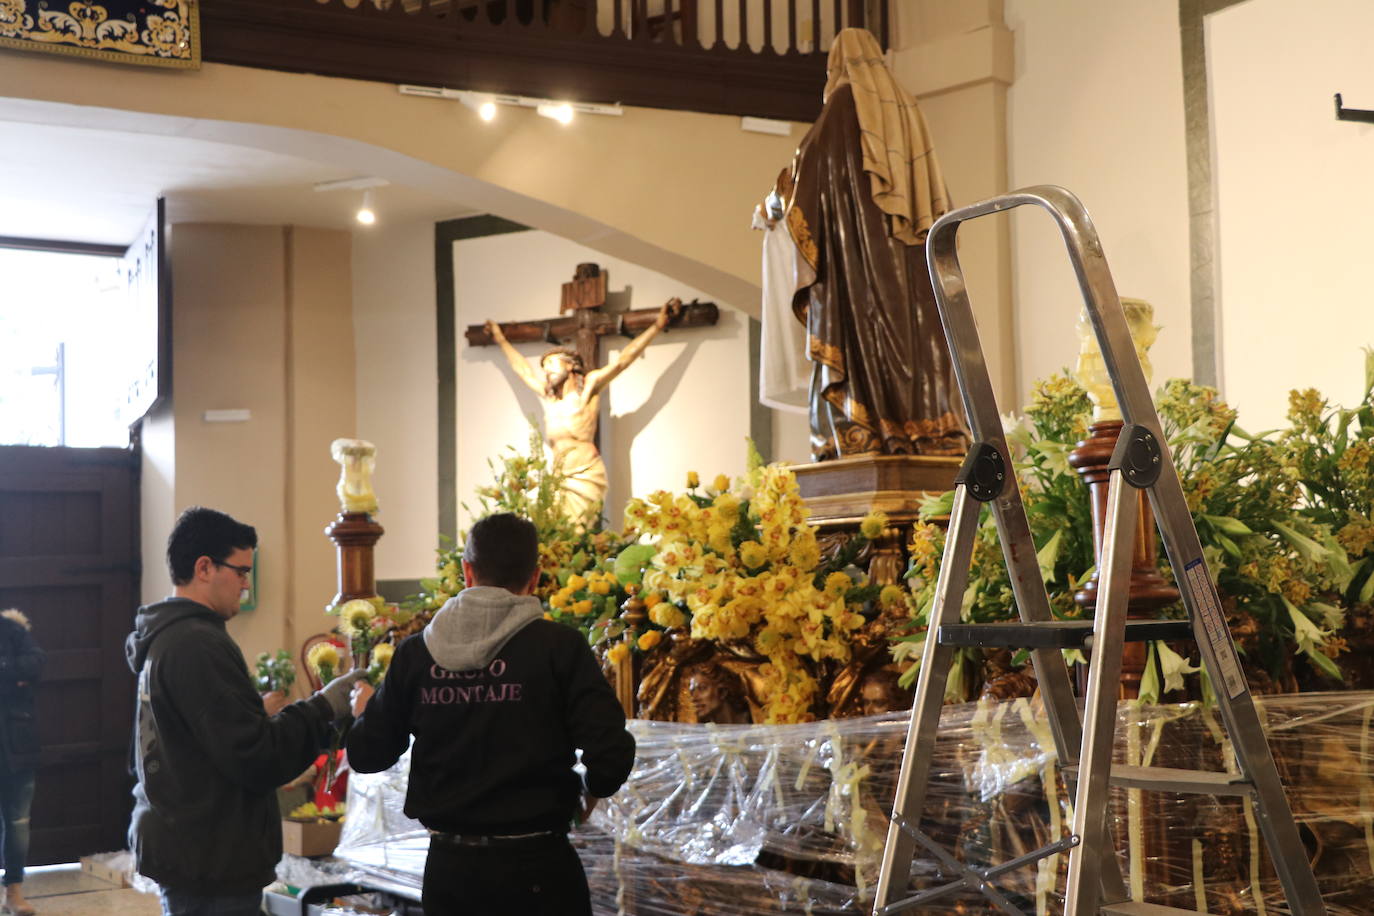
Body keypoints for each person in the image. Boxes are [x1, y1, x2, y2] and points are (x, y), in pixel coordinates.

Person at [347, 512, 636, 916]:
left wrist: (365, 712)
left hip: (452, 874)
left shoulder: (416, 653)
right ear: (534, 578)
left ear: (467, 571)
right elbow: (613, 753)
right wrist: (590, 790)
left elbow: (366, 755)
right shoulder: (559, 648)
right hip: (539, 869)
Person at [127, 507, 365, 916]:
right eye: (240, 571)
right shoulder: (197, 644)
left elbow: (196, 741)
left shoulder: (171, 637)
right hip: (210, 856)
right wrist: (327, 705)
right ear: (204, 568)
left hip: (193, 847)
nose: (245, 584)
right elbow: (256, 755)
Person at [761, 27, 969, 461]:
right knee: (920, 338)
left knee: (863, 337)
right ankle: (929, 429)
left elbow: (808, 171)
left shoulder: (842, 105)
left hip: (860, 261)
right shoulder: (905, 106)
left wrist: (774, 203)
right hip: (913, 258)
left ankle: (870, 428)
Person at [485, 297, 681, 521]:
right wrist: (500, 339)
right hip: (557, 481)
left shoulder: (589, 389)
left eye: (551, 364)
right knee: (557, 538)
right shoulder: (550, 398)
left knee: (580, 534)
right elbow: (523, 370)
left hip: (586, 475)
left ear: (569, 365)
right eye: (544, 367)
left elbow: (623, 361)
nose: (546, 371)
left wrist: (656, 326)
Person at [0, 608, 44, 916]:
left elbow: (37, 664)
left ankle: (12, 891)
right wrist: (12, 676)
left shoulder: (12, 629)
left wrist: (4, 667)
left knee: (17, 823)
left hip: (16, 744)